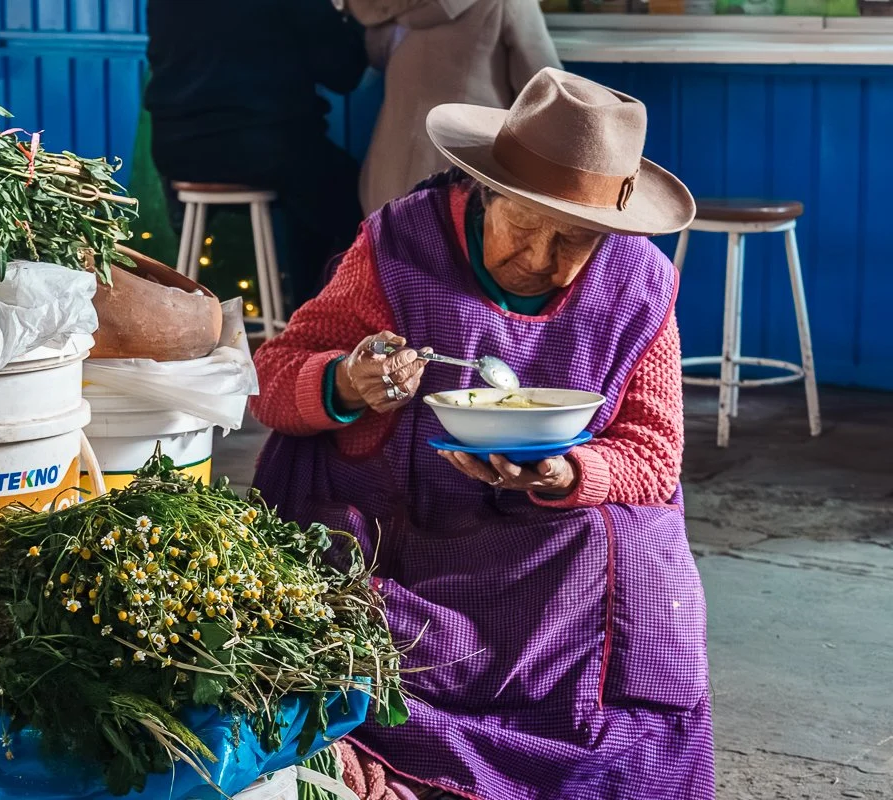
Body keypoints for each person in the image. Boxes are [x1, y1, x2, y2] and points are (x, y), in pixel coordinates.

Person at [249, 69, 713, 798]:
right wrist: (346, 382)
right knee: (319, 581)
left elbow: (655, 455)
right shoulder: (401, 244)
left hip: (539, 538)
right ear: (482, 191)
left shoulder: (639, 282)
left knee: (622, 549)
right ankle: (402, 749)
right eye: (523, 228)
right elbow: (274, 377)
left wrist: (572, 473)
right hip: (399, 523)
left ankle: (558, 763)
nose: (538, 261)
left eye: (575, 242)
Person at [145, 0, 369, 308]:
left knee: (310, 180)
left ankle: (201, 314)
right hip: (265, 149)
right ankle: (308, 319)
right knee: (356, 207)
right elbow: (345, 71)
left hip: (177, 149)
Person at [344, 0, 561, 215]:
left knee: (391, 246)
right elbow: (545, 88)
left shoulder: (390, 7)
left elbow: (376, 54)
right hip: (463, 171)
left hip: (386, 166)